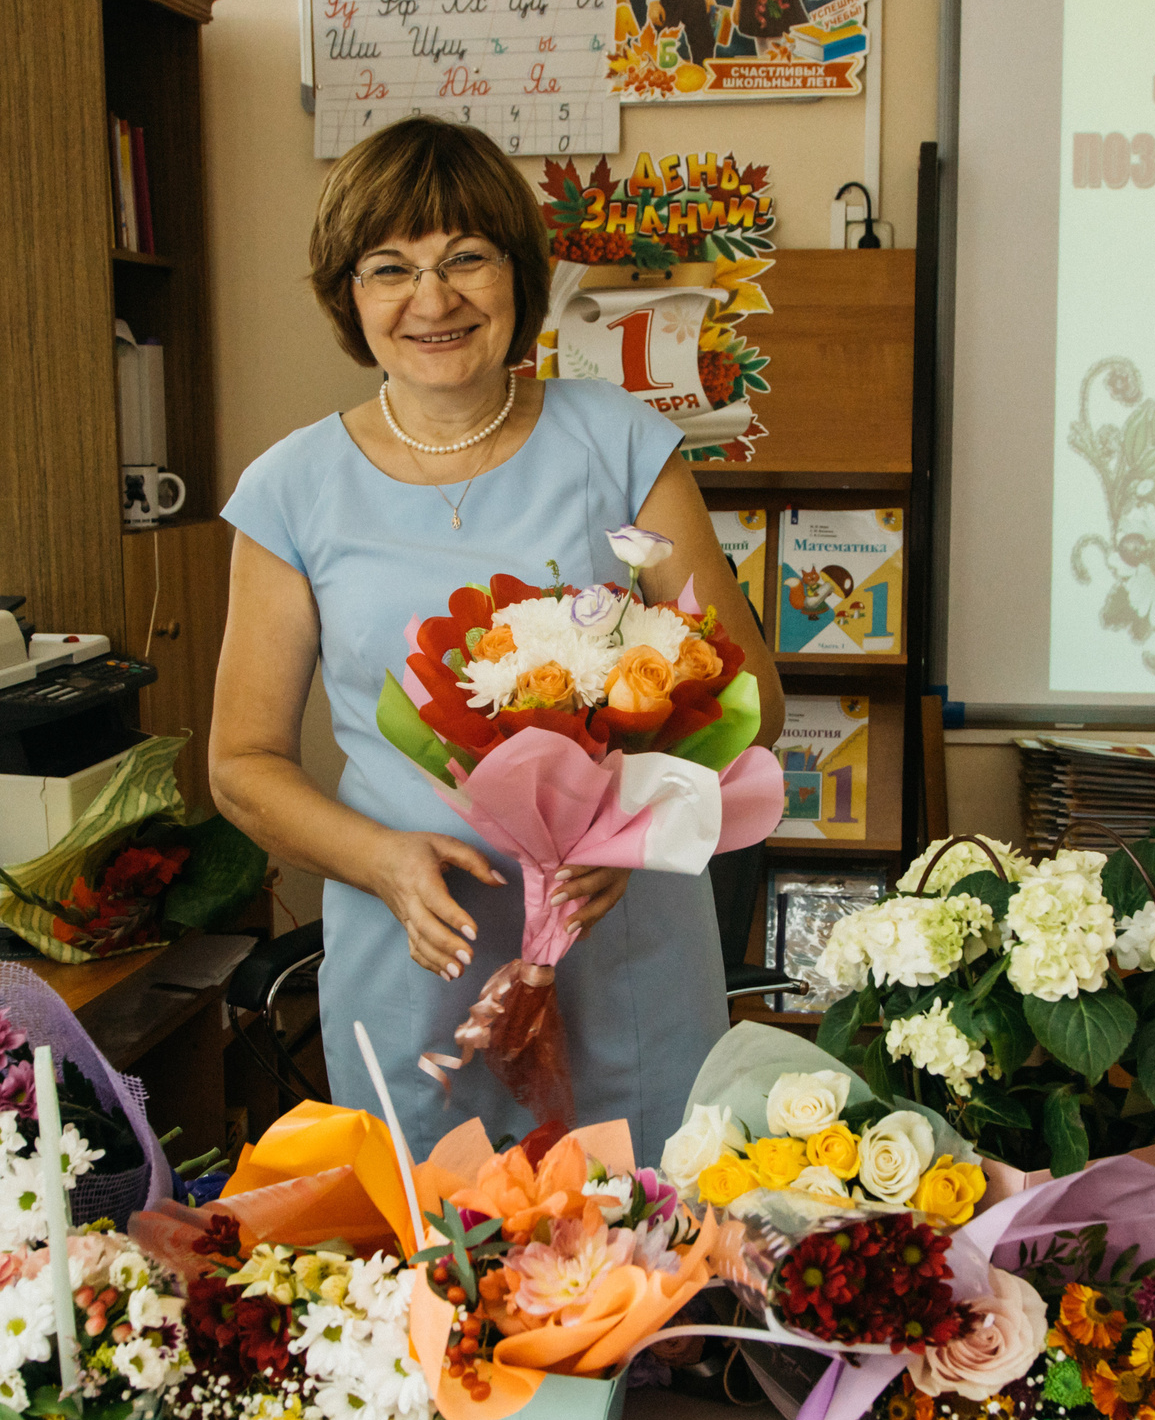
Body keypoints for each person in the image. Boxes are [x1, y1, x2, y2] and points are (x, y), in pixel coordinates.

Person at [210, 116, 782, 1163]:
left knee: (650, 1258)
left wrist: (632, 820)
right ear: (349, 294)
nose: (433, 300)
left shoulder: (620, 449)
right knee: (440, 1273)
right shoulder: (290, 493)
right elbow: (242, 765)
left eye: (466, 258)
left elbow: (746, 691)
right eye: (391, 269)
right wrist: (377, 862)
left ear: (519, 273)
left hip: (624, 940)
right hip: (418, 951)